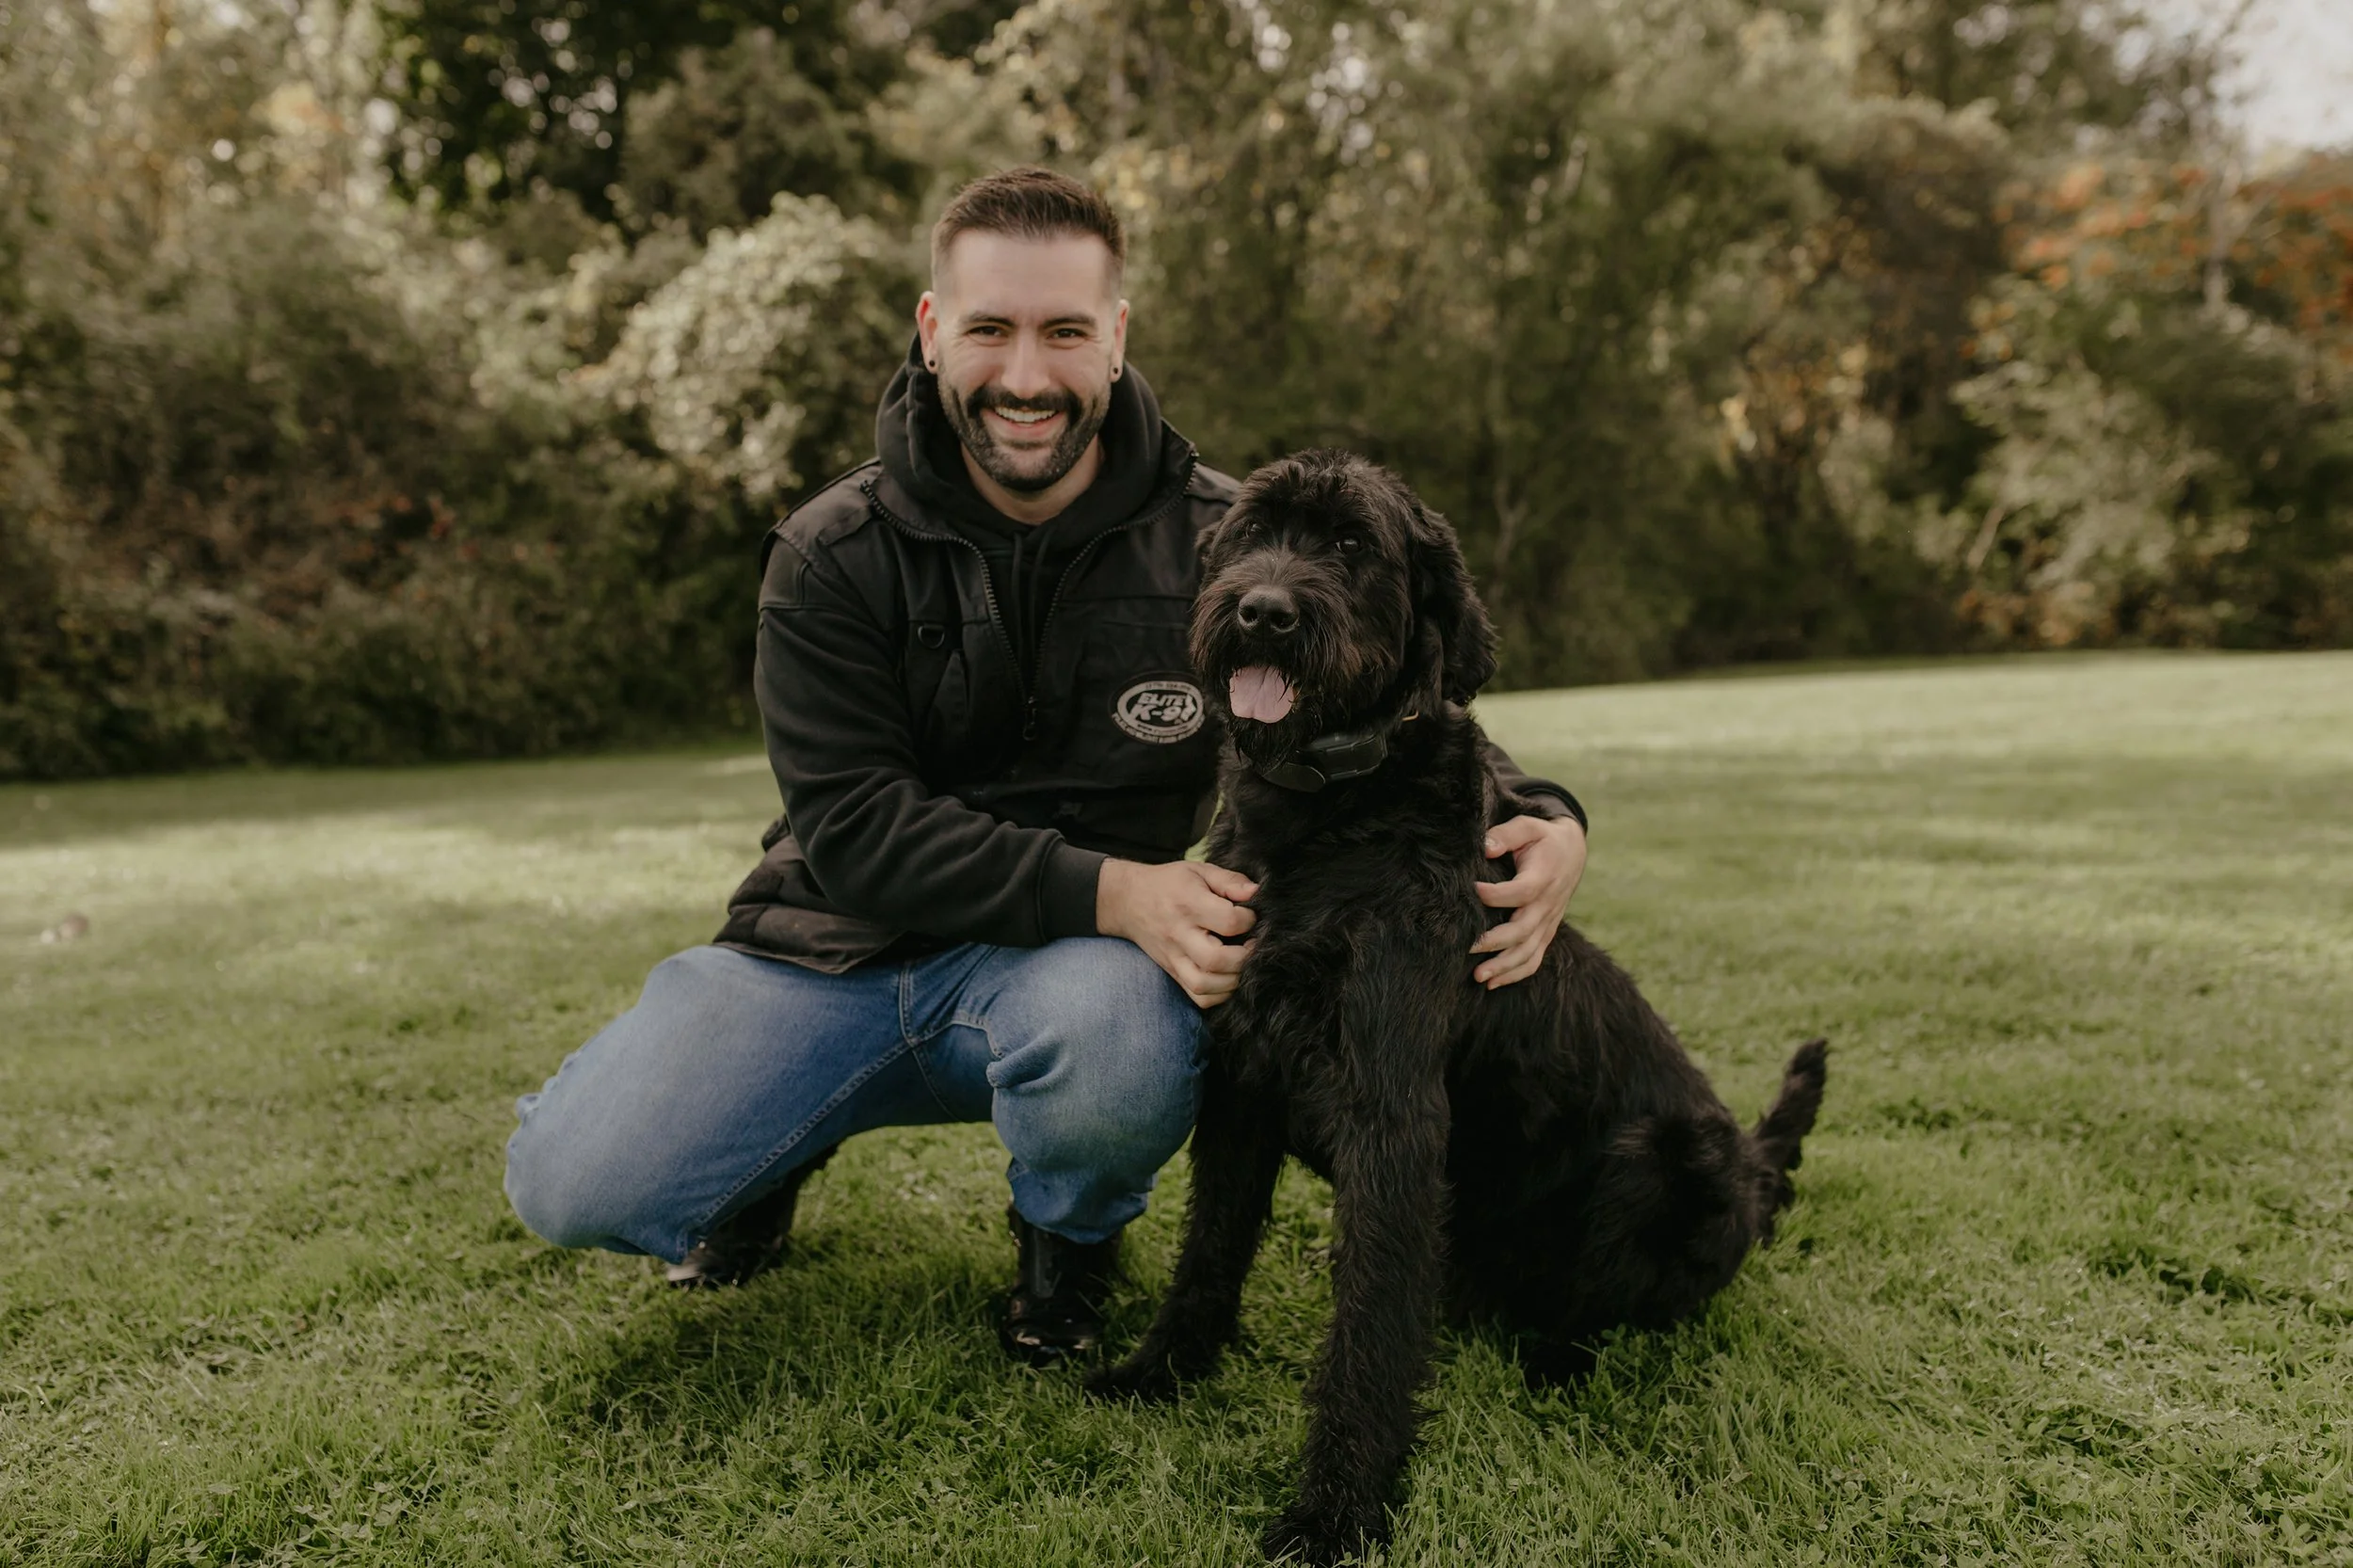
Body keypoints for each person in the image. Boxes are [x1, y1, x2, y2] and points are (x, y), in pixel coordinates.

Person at [502, 167, 1592, 1364]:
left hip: (1072, 977)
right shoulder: (829, 553)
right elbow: (857, 827)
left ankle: (1064, 1242)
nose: (1026, 377)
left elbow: (1395, 700)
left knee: (1124, 1040)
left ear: (1114, 338)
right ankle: (769, 1153)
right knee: (572, 1181)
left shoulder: (1228, 540)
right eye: (990, 330)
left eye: (1064, 331)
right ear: (933, 333)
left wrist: (1548, 814)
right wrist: (1118, 889)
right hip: (827, 951)